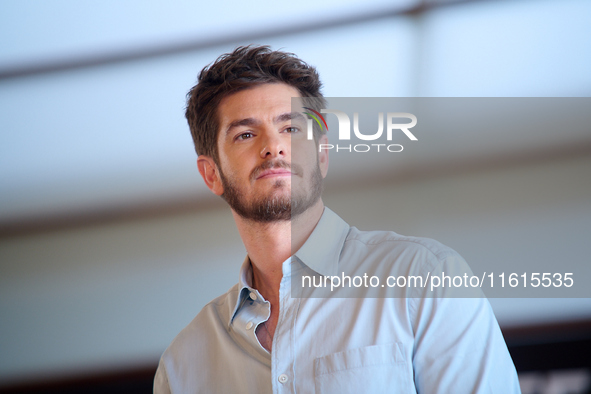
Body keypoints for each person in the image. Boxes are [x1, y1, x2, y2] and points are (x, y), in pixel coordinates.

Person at [154, 45, 521, 393]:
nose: (273, 146)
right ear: (211, 174)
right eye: (246, 134)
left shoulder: (426, 277)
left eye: (291, 128)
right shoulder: (182, 366)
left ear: (322, 154)